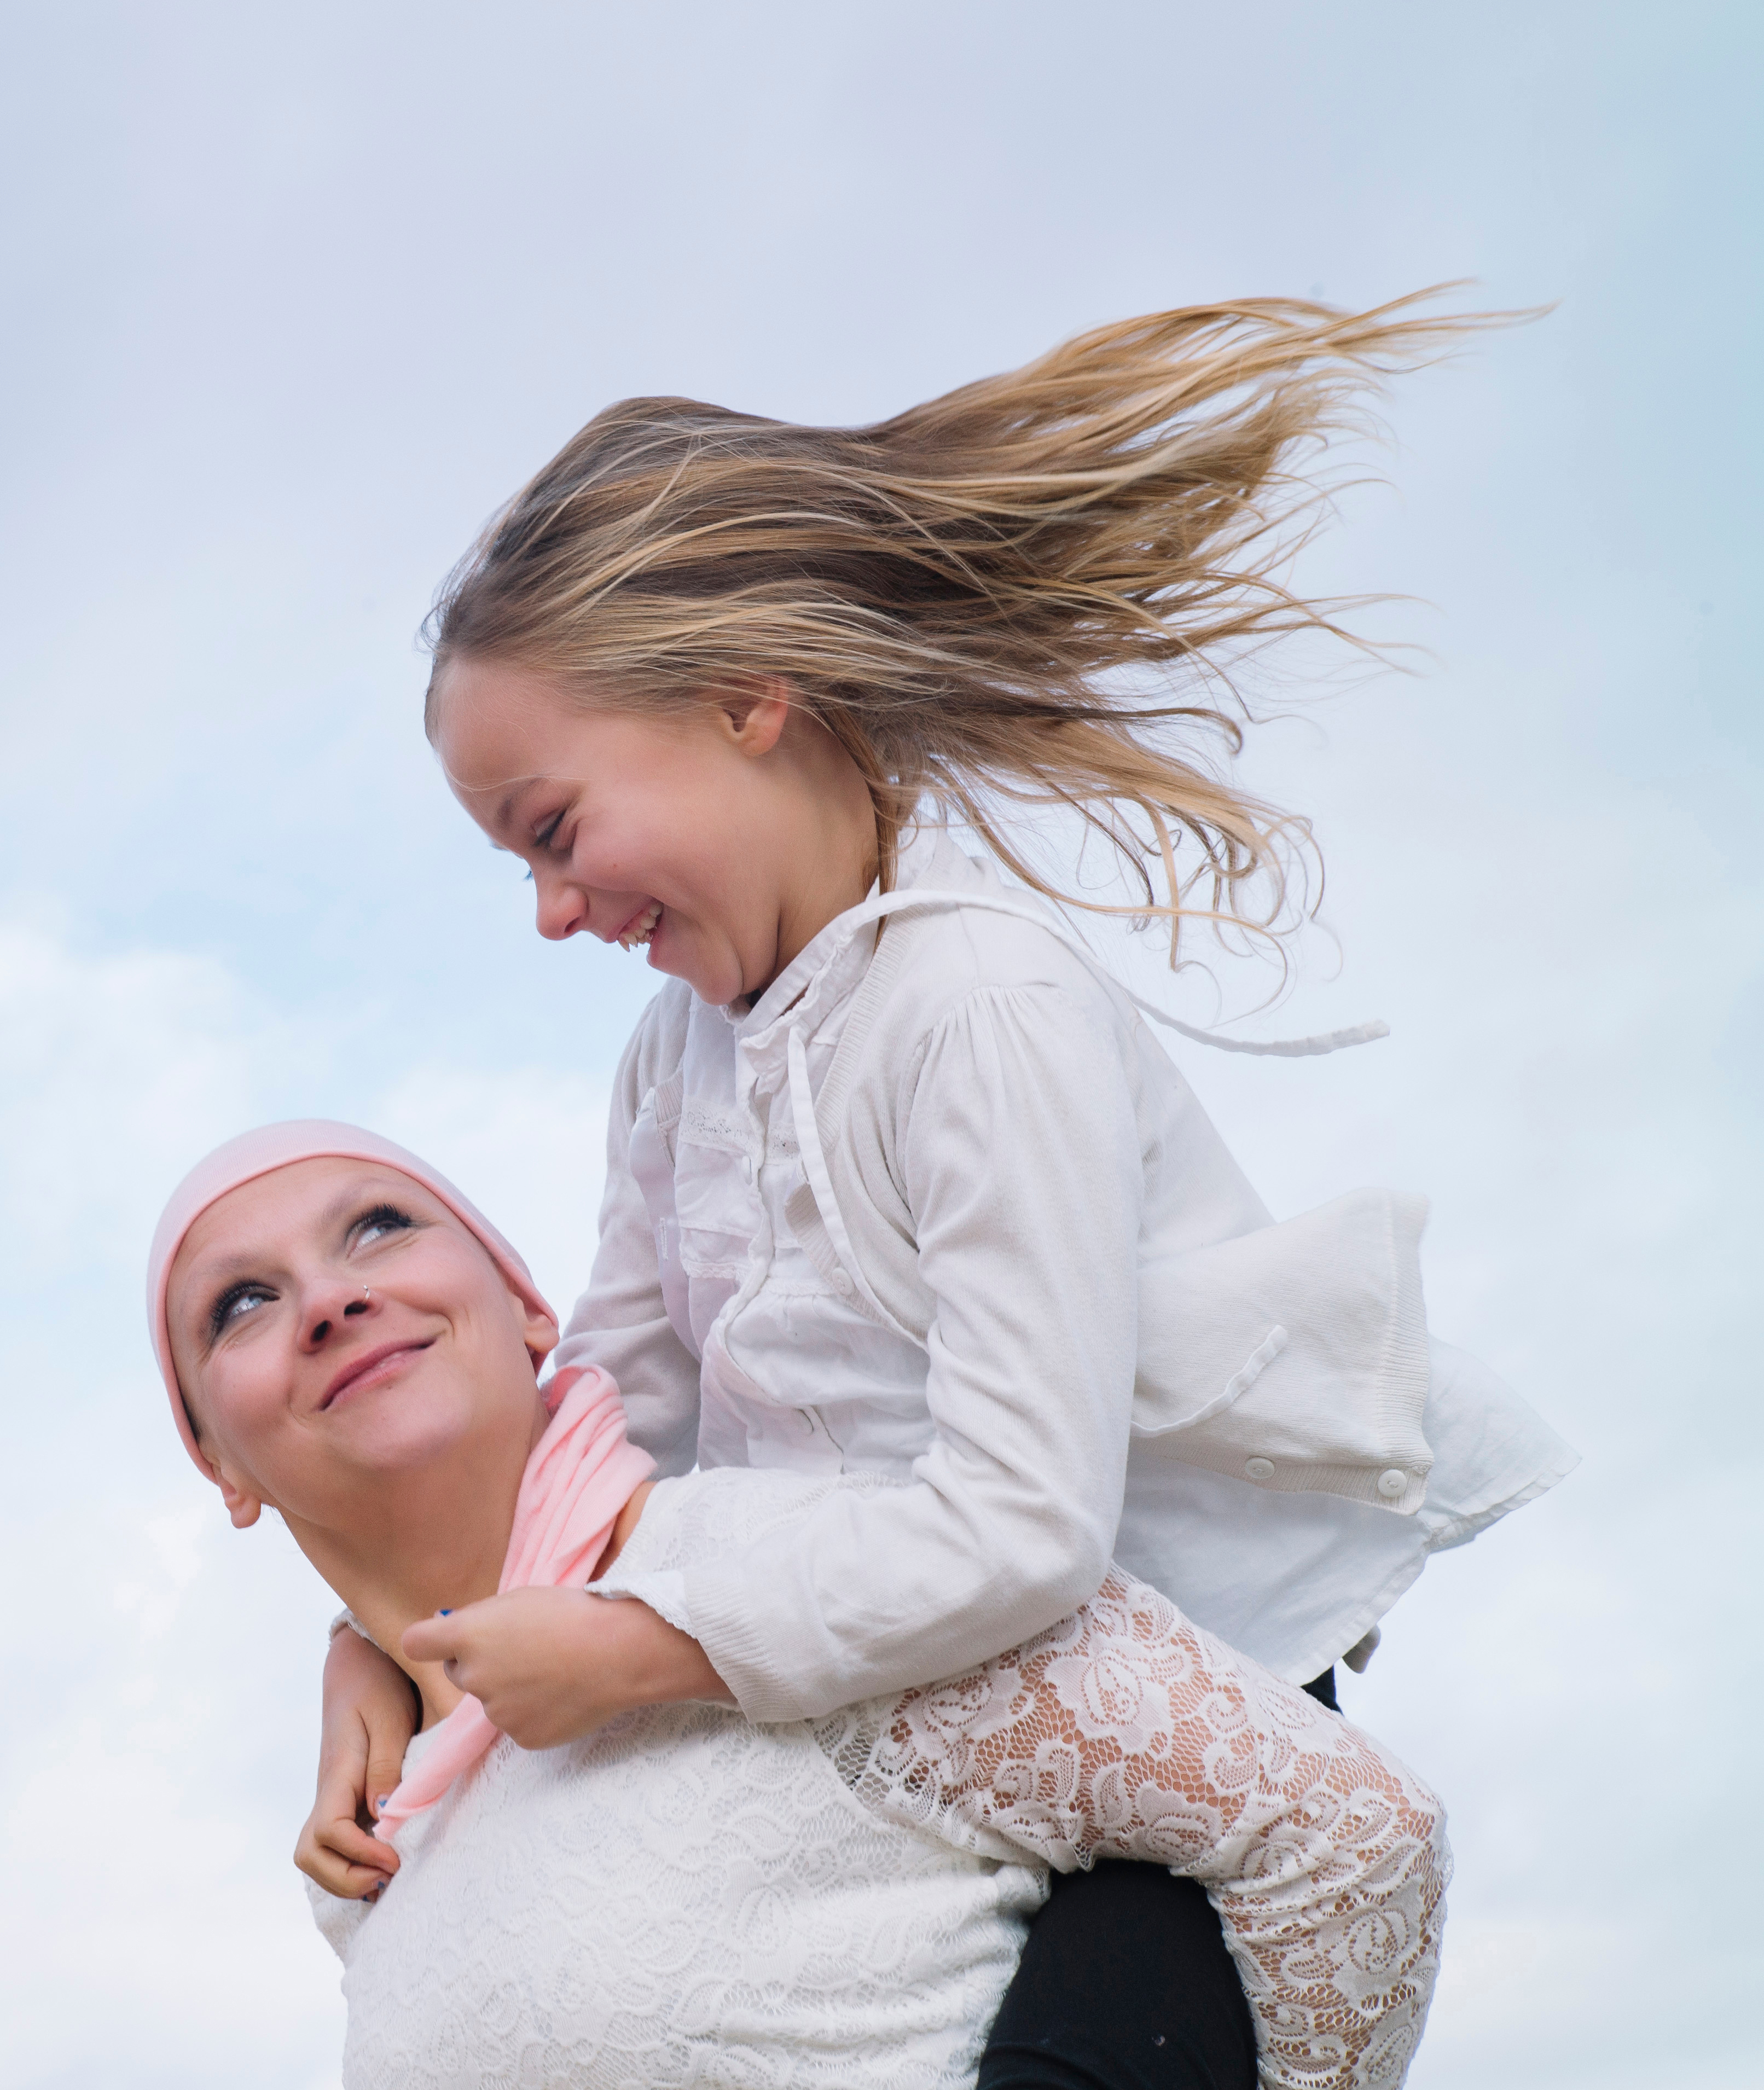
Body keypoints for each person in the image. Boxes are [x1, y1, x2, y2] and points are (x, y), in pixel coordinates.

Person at [303, 294, 1575, 2082]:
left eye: (553, 826)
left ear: (745, 699)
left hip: (1170, 1736)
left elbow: (1023, 1529)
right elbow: (595, 1437)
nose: (551, 911)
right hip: (893, 1718)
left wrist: (644, 1644)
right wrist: (384, 1653)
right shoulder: (674, 1068)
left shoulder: (977, 1007)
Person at [150, 1121, 1448, 2090]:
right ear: (217, 1461)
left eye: (376, 1226)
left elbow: (1348, 1830)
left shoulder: (791, 1562)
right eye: (242, 1304)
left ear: (533, 1309)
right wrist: (373, 1656)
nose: (328, 1299)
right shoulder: (377, 1834)